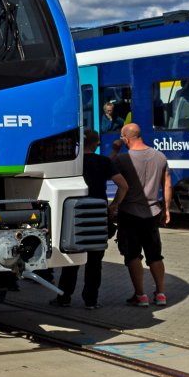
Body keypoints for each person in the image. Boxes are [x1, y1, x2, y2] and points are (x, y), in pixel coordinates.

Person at [53, 129, 129, 309]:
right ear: (96, 144)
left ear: (78, 143)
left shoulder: (72, 162)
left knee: (71, 259)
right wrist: (114, 205)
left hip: (75, 215)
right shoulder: (104, 162)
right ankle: (91, 300)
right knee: (95, 262)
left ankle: (64, 298)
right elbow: (123, 186)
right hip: (97, 215)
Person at [114, 123, 171, 307]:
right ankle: (161, 294)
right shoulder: (160, 156)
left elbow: (107, 169)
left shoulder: (123, 159)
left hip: (129, 212)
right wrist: (167, 209)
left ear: (126, 139)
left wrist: (115, 150)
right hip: (153, 212)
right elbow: (167, 184)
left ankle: (141, 295)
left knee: (132, 255)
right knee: (155, 255)